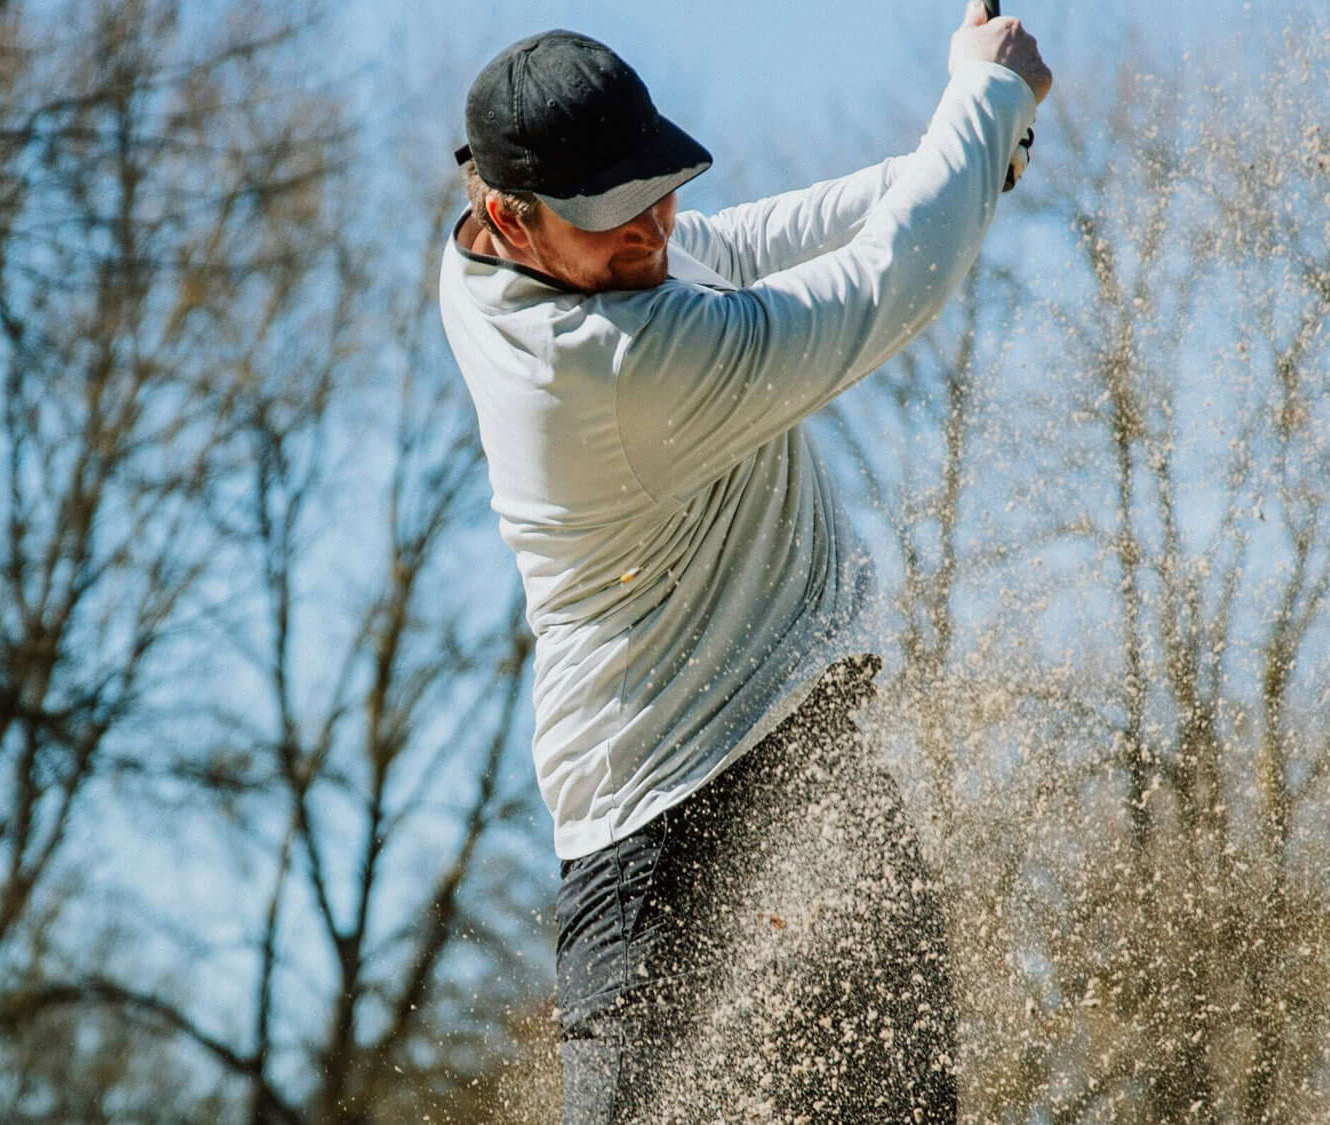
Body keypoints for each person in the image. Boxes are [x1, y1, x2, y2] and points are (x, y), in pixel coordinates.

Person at [438, 8, 1050, 1121]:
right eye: (612, 219)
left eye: (655, 192)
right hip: (660, 846)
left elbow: (745, 241)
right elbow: (874, 291)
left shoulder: (553, 261)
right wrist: (982, 102)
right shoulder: (607, 372)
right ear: (509, 218)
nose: (651, 234)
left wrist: (958, 157)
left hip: (817, 784)